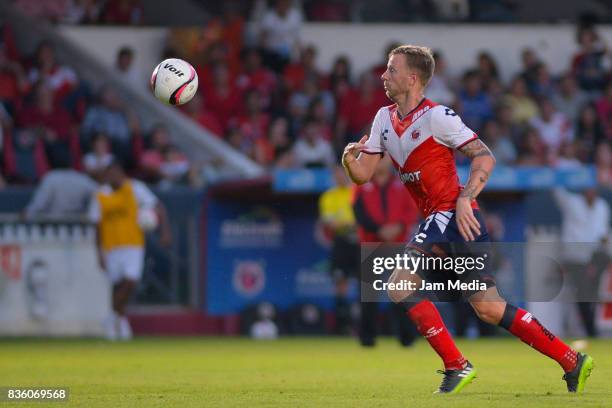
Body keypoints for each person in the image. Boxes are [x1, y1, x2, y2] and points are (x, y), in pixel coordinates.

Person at [341, 45, 593, 394]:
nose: (383, 76)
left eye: (391, 69)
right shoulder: (383, 119)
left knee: (400, 284)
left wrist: (466, 198)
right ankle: (572, 359)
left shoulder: (438, 116)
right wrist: (348, 160)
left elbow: (484, 156)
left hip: (453, 213)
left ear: (412, 78)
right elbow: (363, 173)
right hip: (442, 220)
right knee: (489, 308)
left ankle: (457, 366)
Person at [89, 160, 171, 340]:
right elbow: (97, 226)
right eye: (108, 174)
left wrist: (165, 231)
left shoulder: (135, 188)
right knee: (116, 285)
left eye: (114, 173)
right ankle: (120, 321)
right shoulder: (101, 195)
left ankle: (112, 317)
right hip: (111, 246)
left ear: (121, 173)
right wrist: (98, 253)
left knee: (130, 281)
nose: (111, 177)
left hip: (133, 244)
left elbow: (158, 206)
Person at [353, 156, 418, 347]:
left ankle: (406, 337)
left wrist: (398, 226)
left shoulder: (401, 184)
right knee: (368, 295)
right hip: (371, 244)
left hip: (397, 245)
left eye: (383, 159)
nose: (380, 163)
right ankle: (367, 339)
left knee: (402, 292)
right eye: (377, 159)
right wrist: (379, 229)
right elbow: (358, 213)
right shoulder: (362, 185)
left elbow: (411, 210)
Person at [553, 187, 610, 337]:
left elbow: (602, 235)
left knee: (591, 295)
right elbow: (557, 190)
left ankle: (591, 329)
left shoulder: (602, 206)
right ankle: (591, 330)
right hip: (575, 259)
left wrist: (595, 262)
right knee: (582, 295)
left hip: (595, 257)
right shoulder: (572, 202)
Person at [318, 166, 359, 334]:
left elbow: (362, 219)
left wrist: (347, 223)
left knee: (366, 283)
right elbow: (329, 223)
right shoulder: (328, 196)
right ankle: (343, 326)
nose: (339, 177)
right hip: (341, 242)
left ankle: (366, 326)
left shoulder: (357, 192)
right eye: (336, 175)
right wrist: (349, 223)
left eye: (342, 174)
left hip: (359, 241)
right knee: (340, 282)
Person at [24, 155, 97, 219]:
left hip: (56, 225)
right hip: (77, 225)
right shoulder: (81, 178)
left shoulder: (51, 177)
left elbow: (39, 204)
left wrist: (28, 212)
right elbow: (99, 192)